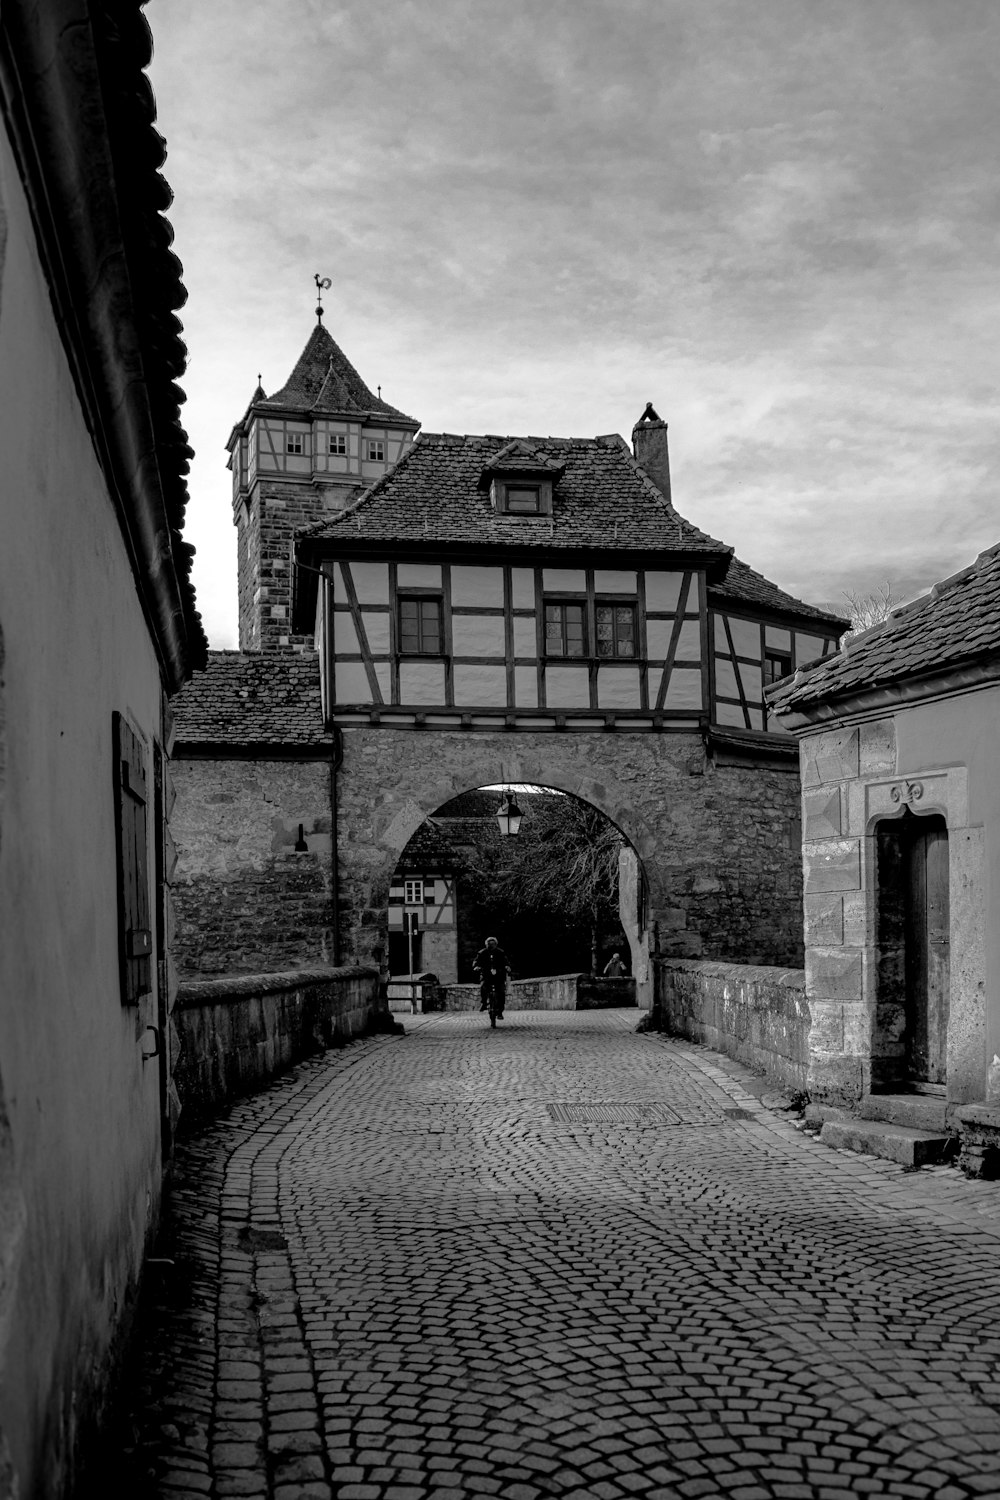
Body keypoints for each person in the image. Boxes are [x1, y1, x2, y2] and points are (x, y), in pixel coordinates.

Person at [473, 936, 510, 1018]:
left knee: (501, 992)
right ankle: (484, 1003)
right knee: (483, 987)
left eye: (493, 944)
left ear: (496, 944)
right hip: (486, 975)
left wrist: (507, 966)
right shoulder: (482, 953)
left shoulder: (500, 952)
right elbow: (476, 961)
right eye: (489, 944)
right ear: (486, 944)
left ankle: (500, 1011)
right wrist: (476, 966)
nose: (491, 946)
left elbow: (506, 961)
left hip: (499, 976)